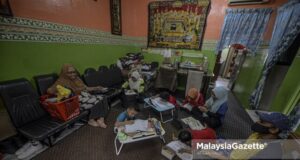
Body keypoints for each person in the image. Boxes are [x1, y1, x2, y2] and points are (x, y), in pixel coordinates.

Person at [203, 112, 291, 160]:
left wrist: (215, 155)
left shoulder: (271, 153)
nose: (257, 123)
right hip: (234, 153)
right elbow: (243, 143)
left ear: (275, 129)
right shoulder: (258, 135)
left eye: (262, 122)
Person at [47, 64, 108, 128]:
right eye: (70, 73)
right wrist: (59, 93)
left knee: (104, 97)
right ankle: (91, 120)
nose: (73, 74)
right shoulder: (61, 80)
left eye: (74, 72)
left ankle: (101, 119)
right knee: (98, 100)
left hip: (85, 96)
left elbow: (86, 88)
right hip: (75, 101)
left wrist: (96, 88)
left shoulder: (77, 78)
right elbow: (49, 91)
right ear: (64, 73)